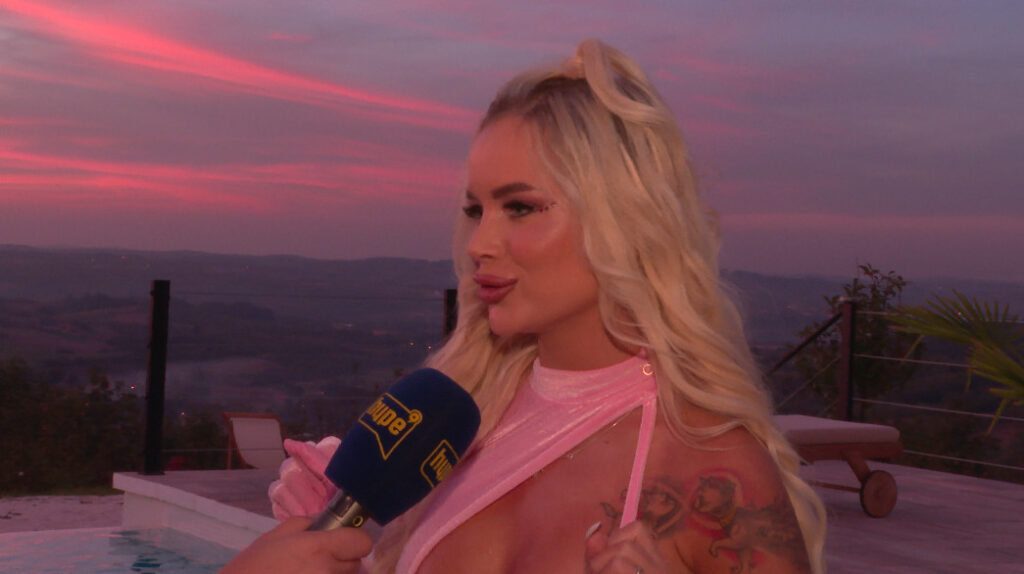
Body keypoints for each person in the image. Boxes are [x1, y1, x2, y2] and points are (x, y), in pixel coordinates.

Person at [223, 39, 827, 574]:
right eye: (475, 209)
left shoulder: (711, 468)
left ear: (623, 219)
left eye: (520, 207)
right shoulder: (459, 424)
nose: (480, 244)